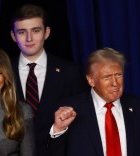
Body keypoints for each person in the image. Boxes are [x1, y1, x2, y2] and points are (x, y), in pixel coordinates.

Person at [49, 47, 140, 156]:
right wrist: (58, 130)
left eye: (118, 75)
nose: (115, 83)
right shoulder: (70, 110)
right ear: (91, 80)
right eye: (107, 77)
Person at [9, 4, 87, 156]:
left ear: (47, 32)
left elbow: (82, 123)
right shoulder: (1, 72)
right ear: (13, 36)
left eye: (36, 30)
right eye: (22, 32)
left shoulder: (69, 72)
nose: (29, 38)